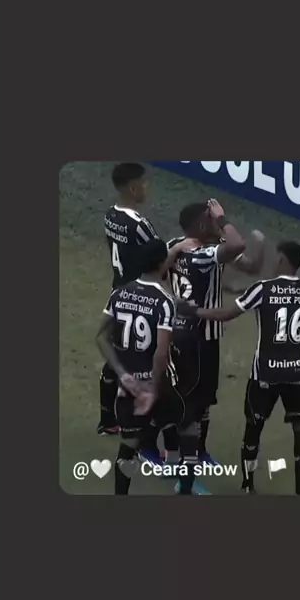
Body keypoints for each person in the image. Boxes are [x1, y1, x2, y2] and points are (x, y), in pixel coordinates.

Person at [178, 241, 300, 495]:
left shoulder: (262, 289)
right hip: (298, 373)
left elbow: (226, 314)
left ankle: (247, 485)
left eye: (276, 257)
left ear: (282, 260)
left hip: (265, 373)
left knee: (254, 428)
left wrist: (194, 311)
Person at [96, 238, 199, 496]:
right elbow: (161, 353)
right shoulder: (164, 301)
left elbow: (100, 337)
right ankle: (185, 489)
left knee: (129, 446)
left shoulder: (119, 293)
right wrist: (152, 390)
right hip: (156, 385)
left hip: (128, 386)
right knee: (189, 429)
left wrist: (122, 375)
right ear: (162, 263)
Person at [98, 162, 195, 437]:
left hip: (118, 292)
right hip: (141, 296)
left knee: (117, 352)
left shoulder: (110, 215)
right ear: (133, 188)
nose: (147, 187)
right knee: (148, 355)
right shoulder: (139, 224)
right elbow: (158, 258)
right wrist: (178, 248)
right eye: (144, 182)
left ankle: (107, 419)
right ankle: (151, 420)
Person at [168, 199, 266, 461]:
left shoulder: (176, 246)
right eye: (211, 219)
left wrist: (260, 247)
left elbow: (250, 266)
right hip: (200, 335)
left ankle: (187, 450)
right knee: (197, 398)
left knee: (190, 394)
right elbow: (236, 246)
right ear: (202, 225)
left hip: (177, 329)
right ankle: (187, 454)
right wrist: (223, 219)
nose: (217, 224)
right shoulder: (205, 254)